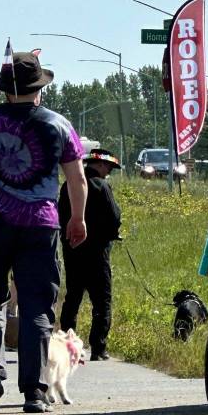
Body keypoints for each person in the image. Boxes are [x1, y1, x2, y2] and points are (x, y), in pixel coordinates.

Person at [0, 49, 87, 414]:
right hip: (40, 226)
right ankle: (34, 389)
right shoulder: (58, 123)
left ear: (4, 90)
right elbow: (76, 177)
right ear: (38, 88)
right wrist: (78, 218)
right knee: (36, 307)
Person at [58, 149, 122, 360]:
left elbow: (59, 214)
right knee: (101, 300)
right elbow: (114, 216)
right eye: (109, 169)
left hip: (73, 249)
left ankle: (67, 345)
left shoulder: (68, 185)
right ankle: (98, 347)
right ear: (101, 166)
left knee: (73, 297)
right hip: (97, 251)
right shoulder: (102, 186)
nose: (108, 173)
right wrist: (114, 233)